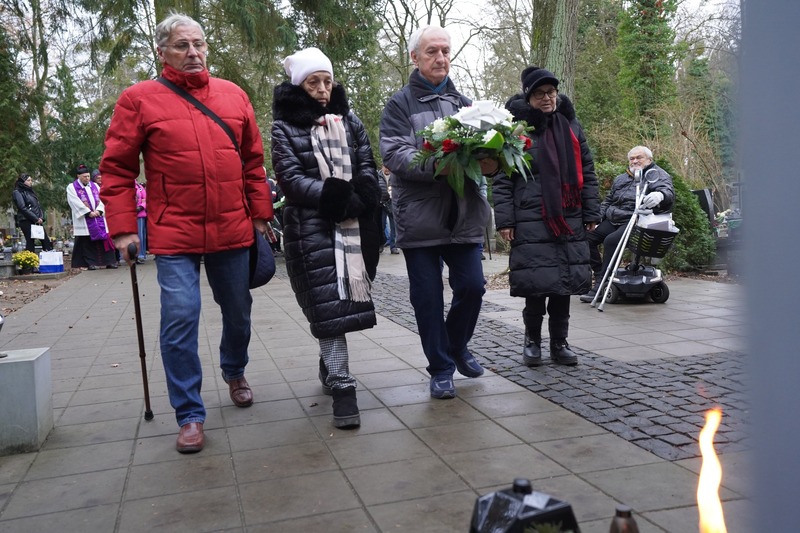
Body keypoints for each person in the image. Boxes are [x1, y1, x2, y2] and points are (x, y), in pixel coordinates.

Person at [99, 13, 273, 453]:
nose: (193, 53)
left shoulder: (234, 96)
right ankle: (190, 413)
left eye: (198, 44)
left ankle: (234, 369)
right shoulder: (138, 100)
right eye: (182, 45)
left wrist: (260, 215)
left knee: (239, 314)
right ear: (162, 51)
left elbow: (253, 164)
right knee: (180, 319)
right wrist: (122, 229)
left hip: (232, 229)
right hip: (174, 234)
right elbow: (117, 169)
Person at [380, 25, 496, 399]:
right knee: (427, 297)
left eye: (445, 51)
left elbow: (481, 155)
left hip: (463, 214)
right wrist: (440, 165)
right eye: (432, 51)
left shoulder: (466, 104)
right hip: (420, 216)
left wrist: (492, 162)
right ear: (415, 58)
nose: (441, 58)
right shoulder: (399, 104)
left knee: (473, 287)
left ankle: (456, 345)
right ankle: (441, 368)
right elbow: (395, 154)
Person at [271, 47, 382, 429]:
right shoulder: (284, 128)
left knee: (341, 306)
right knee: (328, 307)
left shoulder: (349, 120)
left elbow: (367, 161)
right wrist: (335, 197)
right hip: (310, 228)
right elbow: (289, 177)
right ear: (299, 85)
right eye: (313, 82)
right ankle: (342, 383)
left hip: (356, 226)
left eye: (327, 81)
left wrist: (363, 195)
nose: (321, 89)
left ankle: (329, 361)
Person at [494, 66, 601, 367]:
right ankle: (532, 342)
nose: (547, 98)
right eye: (540, 94)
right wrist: (505, 220)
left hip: (568, 215)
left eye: (551, 92)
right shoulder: (516, 129)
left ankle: (560, 343)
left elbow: (588, 173)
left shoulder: (571, 126)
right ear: (528, 98)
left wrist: (592, 211)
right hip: (531, 216)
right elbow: (503, 177)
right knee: (537, 284)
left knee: (563, 284)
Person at [580, 146, 675, 302]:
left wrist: (660, 195)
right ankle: (599, 274)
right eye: (632, 158)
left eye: (639, 157)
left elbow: (667, 191)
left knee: (611, 241)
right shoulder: (621, 178)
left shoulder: (657, 175)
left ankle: (601, 287)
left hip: (637, 221)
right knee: (586, 237)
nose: (635, 161)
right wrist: (597, 218)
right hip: (614, 219)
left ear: (649, 159)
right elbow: (609, 201)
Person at [66, 164, 118, 270]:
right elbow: (74, 202)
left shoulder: (95, 186)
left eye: (88, 176)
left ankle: (109, 261)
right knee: (87, 242)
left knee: (104, 239)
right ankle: (90, 263)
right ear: (78, 176)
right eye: (85, 176)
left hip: (98, 217)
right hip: (85, 219)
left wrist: (99, 210)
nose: (87, 178)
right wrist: (88, 212)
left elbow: (102, 198)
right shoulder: (72, 187)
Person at [12, 173, 53, 253]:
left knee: (46, 241)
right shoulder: (17, 192)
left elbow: (37, 205)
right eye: (28, 180)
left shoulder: (31, 192)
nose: (31, 182)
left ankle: (49, 261)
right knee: (30, 242)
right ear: (22, 181)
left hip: (37, 221)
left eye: (31, 180)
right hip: (26, 220)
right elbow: (22, 207)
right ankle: (29, 263)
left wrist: (41, 217)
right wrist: (35, 218)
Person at [379, 166, 399, 254]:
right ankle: (381, 244)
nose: (387, 169)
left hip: (392, 204)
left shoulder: (395, 176)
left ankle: (393, 246)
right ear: (382, 167)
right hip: (381, 204)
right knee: (381, 225)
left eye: (388, 167)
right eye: (385, 167)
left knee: (393, 226)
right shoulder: (377, 176)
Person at [134, 181, 147, 263]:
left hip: (140, 214)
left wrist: (140, 207)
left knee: (140, 236)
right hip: (129, 214)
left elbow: (145, 199)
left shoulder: (140, 187)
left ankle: (140, 255)